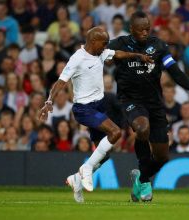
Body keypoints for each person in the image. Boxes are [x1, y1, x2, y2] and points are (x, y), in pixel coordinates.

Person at [38, 27, 153, 203]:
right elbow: (61, 82)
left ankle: (77, 179)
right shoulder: (77, 58)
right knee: (115, 133)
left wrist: (138, 56)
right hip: (84, 109)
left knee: (104, 154)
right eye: (104, 42)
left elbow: (118, 54)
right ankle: (86, 168)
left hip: (98, 106)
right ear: (93, 41)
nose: (106, 46)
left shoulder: (101, 52)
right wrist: (49, 101)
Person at [107, 11, 189, 202]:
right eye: (141, 29)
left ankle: (141, 178)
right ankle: (146, 185)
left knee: (162, 157)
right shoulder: (119, 44)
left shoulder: (159, 47)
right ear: (132, 29)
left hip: (154, 103)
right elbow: (103, 58)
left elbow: (175, 72)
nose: (145, 32)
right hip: (130, 100)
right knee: (142, 128)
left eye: (148, 28)